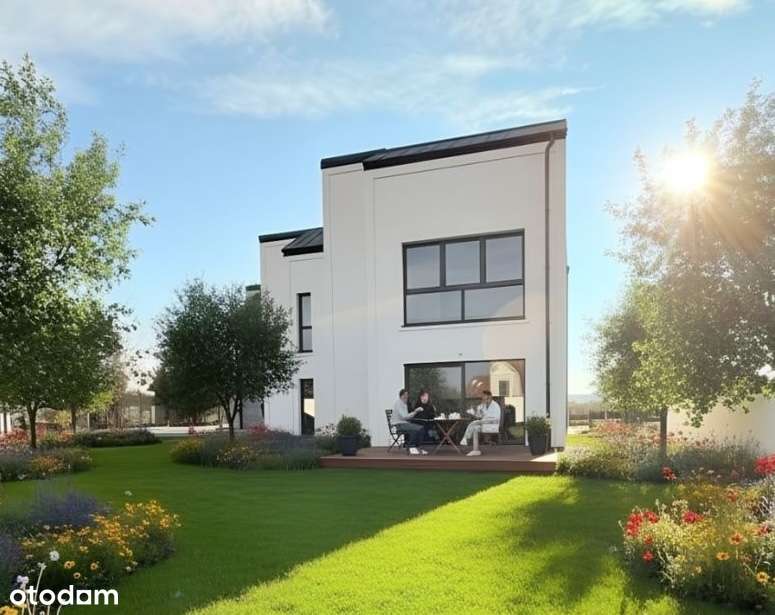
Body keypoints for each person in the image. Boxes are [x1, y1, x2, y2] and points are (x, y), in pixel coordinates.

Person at [460, 390, 501, 457]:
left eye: (484, 397)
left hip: (492, 425)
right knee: (475, 428)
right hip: (485, 425)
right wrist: (474, 412)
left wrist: (483, 420)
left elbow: (496, 419)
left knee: (474, 423)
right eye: (483, 397)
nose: (483, 398)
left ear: (490, 396)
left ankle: (466, 438)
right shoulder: (483, 406)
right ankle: (475, 450)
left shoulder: (496, 406)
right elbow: (479, 416)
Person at [392, 389, 428, 455]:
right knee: (416, 429)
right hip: (399, 424)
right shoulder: (398, 403)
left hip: (404, 423)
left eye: (407, 395)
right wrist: (415, 411)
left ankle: (418, 447)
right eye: (404, 395)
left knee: (421, 428)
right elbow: (405, 417)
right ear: (401, 396)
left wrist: (415, 412)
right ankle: (412, 447)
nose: (406, 396)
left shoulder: (404, 404)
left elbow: (407, 417)